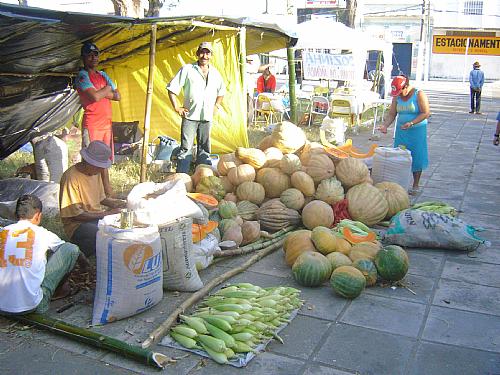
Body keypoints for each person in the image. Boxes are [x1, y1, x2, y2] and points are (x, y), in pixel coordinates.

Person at [0, 195, 81, 314]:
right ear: (38, 215)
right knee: (71, 249)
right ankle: (56, 293)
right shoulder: (43, 234)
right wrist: (85, 264)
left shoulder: (3, 232)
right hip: (33, 306)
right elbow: (69, 251)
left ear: (15, 214)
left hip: (1, 306)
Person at [59, 141, 126, 259]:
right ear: (88, 163)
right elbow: (76, 215)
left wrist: (118, 204)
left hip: (96, 218)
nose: (101, 171)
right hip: (78, 225)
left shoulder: (95, 173)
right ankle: (79, 256)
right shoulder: (71, 178)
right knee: (103, 234)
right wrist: (108, 213)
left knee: (123, 229)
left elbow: (101, 198)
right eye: (99, 167)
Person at [167, 42, 225, 173]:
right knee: (186, 148)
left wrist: (217, 105)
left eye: (207, 53)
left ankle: (202, 178)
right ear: (197, 54)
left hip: (207, 117)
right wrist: (177, 107)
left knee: (204, 149)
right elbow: (171, 88)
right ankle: (181, 179)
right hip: (190, 116)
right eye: (202, 52)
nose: (205, 56)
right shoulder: (187, 69)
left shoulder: (215, 73)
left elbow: (221, 92)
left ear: (211, 55)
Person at [75, 41, 121, 196]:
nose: (93, 57)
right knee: (90, 160)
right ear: (83, 57)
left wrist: (102, 92)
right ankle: (87, 193)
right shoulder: (82, 76)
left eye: (96, 54)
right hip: (92, 124)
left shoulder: (102, 75)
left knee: (103, 159)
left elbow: (118, 96)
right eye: (89, 54)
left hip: (105, 125)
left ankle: (106, 191)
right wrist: (107, 89)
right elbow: (94, 97)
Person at [378, 75, 431, 195]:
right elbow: (392, 114)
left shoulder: (419, 94)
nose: (399, 95)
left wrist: (412, 123)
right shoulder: (397, 97)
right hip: (401, 131)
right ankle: (401, 183)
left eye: (401, 92)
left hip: (416, 130)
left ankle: (415, 184)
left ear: (406, 87)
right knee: (400, 155)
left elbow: (425, 112)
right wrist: (385, 125)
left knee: (416, 156)